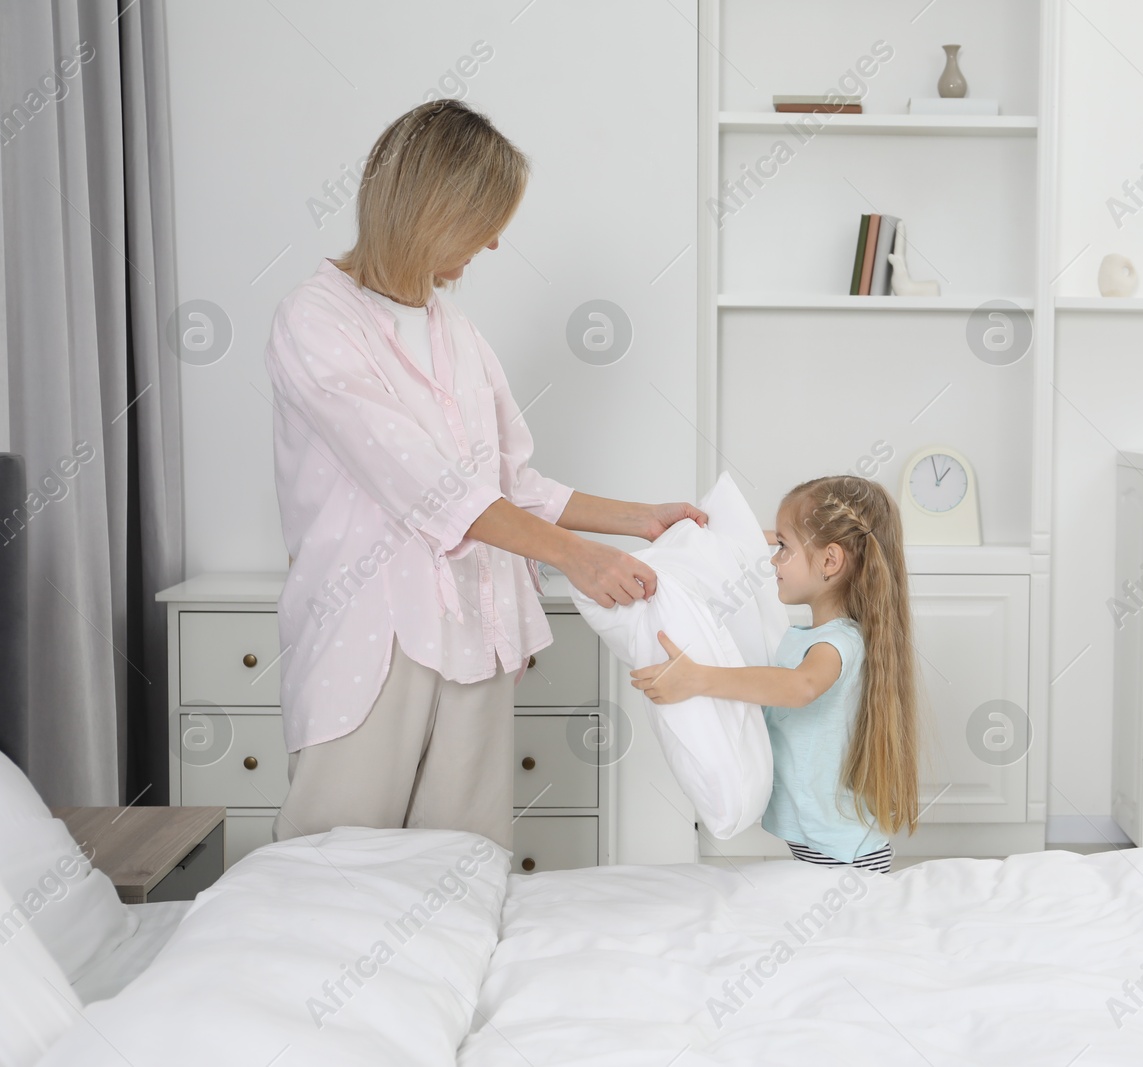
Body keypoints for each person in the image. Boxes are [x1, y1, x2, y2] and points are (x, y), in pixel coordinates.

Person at [262, 99, 704, 849]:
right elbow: (425, 484)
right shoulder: (316, 322)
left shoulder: (456, 333)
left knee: (459, 871)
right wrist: (574, 557)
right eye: (484, 221)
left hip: (475, 632)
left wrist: (640, 518)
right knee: (330, 867)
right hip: (375, 642)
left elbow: (511, 482)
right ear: (430, 209)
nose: (496, 243)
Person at [629, 475, 920, 872]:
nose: (772, 560)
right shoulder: (814, 636)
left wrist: (699, 677)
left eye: (783, 548)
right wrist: (733, 538)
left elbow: (800, 688)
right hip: (821, 839)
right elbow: (801, 548)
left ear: (831, 561)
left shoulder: (837, 644)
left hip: (840, 851)